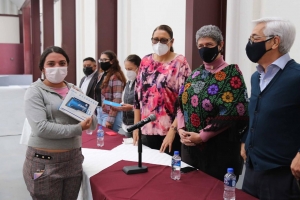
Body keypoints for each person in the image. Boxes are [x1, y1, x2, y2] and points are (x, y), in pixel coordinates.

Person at [23, 46, 97, 199]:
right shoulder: (35, 91)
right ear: (42, 68)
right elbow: (41, 128)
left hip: (73, 161)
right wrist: (78, 128)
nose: (57, 68)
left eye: (62, 63)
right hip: (43, 164)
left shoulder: (73, 90)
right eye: (51, 64)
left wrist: (83, 107)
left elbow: (93, 123)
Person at [176, 25, 249, 182]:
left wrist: (202, 136)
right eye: (200, 46)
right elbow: (180, 103)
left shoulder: (232, 73)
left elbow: (233, 112)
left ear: (220, 45)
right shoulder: (194, 74)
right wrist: (181, 128)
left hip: (219, 151)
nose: (204, 49)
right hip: (190, 148)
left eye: (209, 45)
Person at [241, 17, 300, 199]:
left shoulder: (296, 77)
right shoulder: (255, 77)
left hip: (281, 175)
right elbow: (257, 113)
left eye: (255, 38)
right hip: (252, 170)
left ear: (275, 42)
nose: (250, 43)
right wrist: (245, 139)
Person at [133, 25, 192, 155]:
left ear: (172, 41)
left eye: (164, 40)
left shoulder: (180, 62)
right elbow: (137, 97)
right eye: (155, 40)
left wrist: (173, 131)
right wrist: (136, 126)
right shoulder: (145, 61)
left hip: (170, 131)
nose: (159, 43)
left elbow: (185, 102)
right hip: (146, 129)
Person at [95, 50, 126, 132]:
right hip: (100, 111)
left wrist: (110, 119)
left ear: (112, 61)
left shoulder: (115, 76)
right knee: (100, 136)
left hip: (110, 113)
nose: (102, 62)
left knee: (107, 139)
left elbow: (117, 100)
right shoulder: (101, 75)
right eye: (101, 60)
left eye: (105, 60)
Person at [112, 54, 141, 138]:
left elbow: (146, 107)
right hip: (126, 125)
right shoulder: (128, 83)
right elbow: (125, 100)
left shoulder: (142, 84)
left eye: (130, 69)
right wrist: (119, 106)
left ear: (139, 67)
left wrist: (131, 108)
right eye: (126, 69)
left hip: (138, 125)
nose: (128, 72)